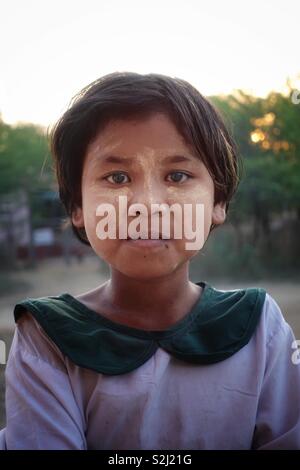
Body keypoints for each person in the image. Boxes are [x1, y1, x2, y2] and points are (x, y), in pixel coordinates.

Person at [1, 72, 299, 450]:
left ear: (218, 202)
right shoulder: (46, 336)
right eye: (117, 177)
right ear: (77, 205)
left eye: (177, 175)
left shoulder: (260, 326)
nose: (147, 205)